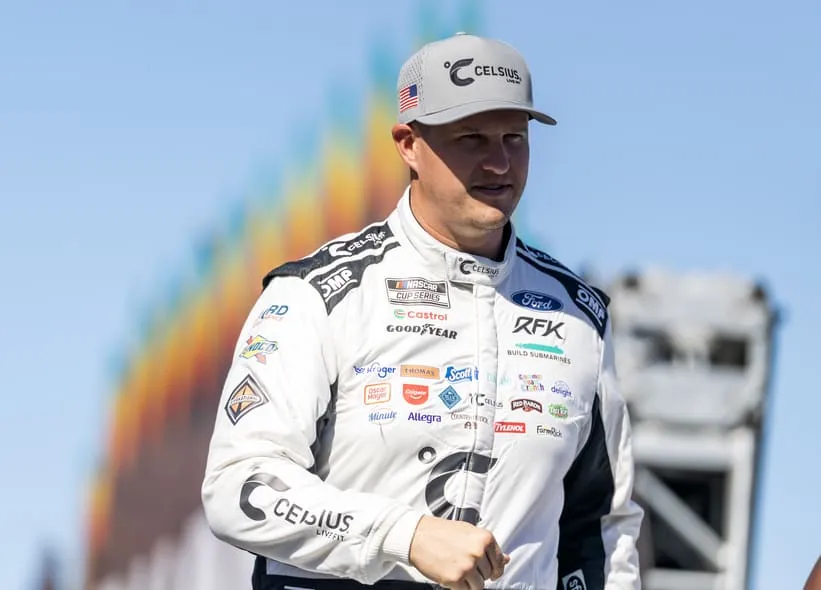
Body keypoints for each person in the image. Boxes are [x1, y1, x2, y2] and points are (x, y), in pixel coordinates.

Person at [202, 32, 644, 590]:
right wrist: (403, 534)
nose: (500, 162)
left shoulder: (580, 317)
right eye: (472, 138)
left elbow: (601, 528)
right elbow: (237, 487)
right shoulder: (317, 295)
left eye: (515, 137)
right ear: (408, 144)